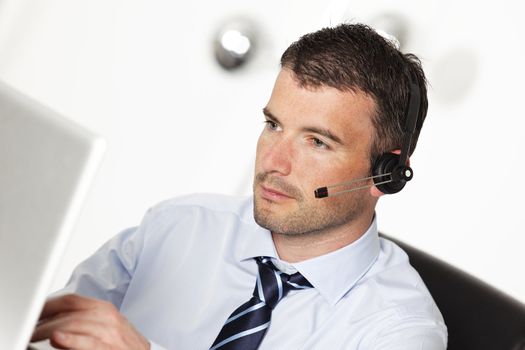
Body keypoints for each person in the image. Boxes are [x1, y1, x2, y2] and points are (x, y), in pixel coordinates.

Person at [31, 23, 447, 349]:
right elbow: (34, 333)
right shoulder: (177, 227)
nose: (273, 162)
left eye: (317, 142)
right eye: (273, 125)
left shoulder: (398, 333)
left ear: (386, 173)